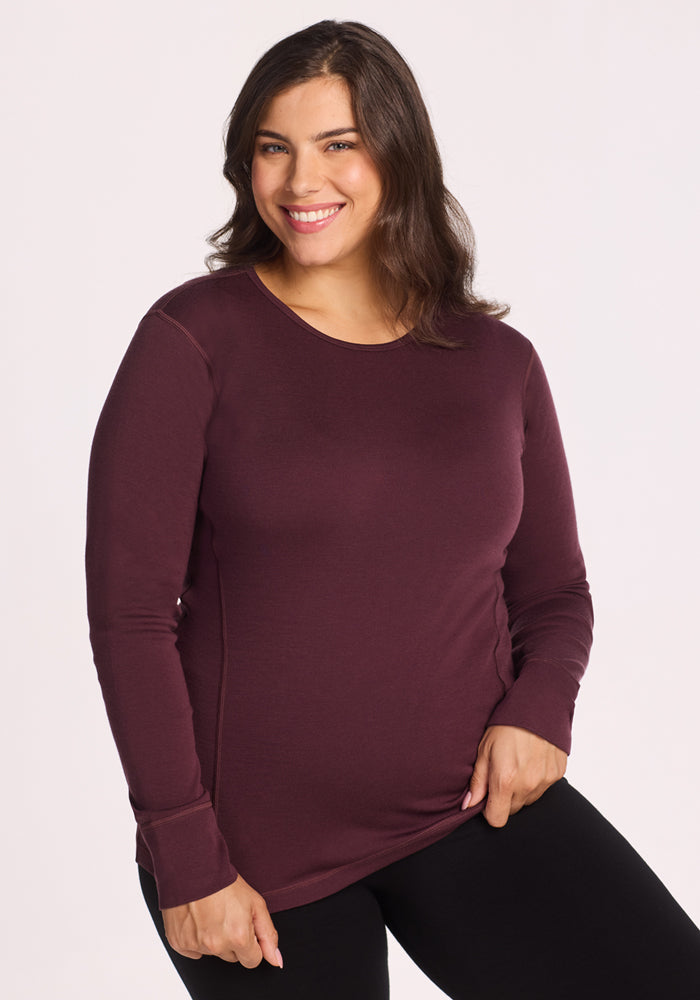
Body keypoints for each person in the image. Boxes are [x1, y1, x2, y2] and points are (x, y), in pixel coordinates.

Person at [85, 19, 700, 1000]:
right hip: (257, 857)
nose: (299, 181)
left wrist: (541, 712)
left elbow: (553, 591)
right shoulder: (193, 340)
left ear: (398, 152)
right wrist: (185, 855)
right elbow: (129, 617)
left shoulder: (498, 365)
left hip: (467, 811)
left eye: (339, 144)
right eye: (271, 148)